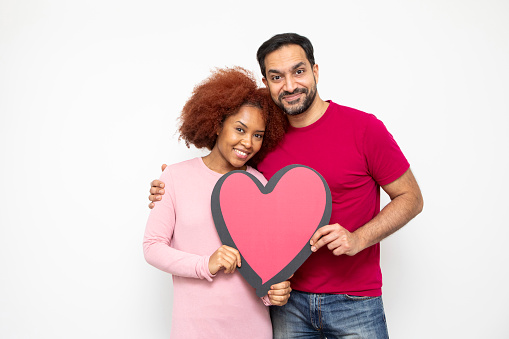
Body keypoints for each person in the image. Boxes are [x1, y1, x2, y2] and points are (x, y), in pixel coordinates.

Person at [148, 34, 424, 338]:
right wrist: (169, 184)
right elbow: (223, 185)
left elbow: (411, 198)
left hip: (354, 300)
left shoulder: (364, 128)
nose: (290, 85)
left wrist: (358, 238)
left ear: (315, 71)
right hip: (285, 304)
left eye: (299, 71)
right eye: (277, 77)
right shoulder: (265, 142)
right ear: (266, 84)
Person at [143, 66, 291, 339]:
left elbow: (266, 261)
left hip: (253, 329)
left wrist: (273, 293)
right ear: (217, 122)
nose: (248, 142)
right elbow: (152, 247)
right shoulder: (174, 177)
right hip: (194, 330)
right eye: (239, 129)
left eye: (257, 135)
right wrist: (205, 264)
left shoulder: (260, 185)